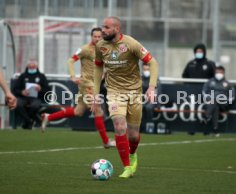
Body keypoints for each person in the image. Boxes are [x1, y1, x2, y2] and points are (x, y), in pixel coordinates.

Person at [91, 16, 159, 178]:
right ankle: (126, 167)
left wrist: (151, 87)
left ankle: (133, 154)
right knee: (119, 125)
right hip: (114, 92)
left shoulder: (130, 44)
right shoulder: (101, 46)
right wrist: (95, 94)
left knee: (134, 135)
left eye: (107, 28)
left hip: (134, 92)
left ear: (116, 29)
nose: (103, 31)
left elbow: (153, 62)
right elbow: (98, 69)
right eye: (102, 27)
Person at [41, 27, 115, 149]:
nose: (97, 38)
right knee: (98, 110)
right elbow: (70, 61)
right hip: (87, 84)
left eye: (99, 36)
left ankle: (48, 117)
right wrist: (73, 76)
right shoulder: (85, 49)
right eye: (95, 36)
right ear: (91, 37)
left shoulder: (104, 49)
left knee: (78, 112)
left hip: (95, 84)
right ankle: (106, 141)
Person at [13, 60, 50, 129]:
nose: (32, 68)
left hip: (36, 98)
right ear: (27, 67)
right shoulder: (22, 76)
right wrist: (22, 92)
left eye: (33, 67)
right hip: (23, 97)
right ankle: (29, 121)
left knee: (35, 106)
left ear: (36, 67)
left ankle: (27, 123)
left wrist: (40, 89)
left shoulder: (42, 76)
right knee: (17, 104)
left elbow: (48, 90)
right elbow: (15, 89)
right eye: (30, 67)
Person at [202, 66, 235, 136]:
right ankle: (215, 129)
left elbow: (232, 96)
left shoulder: (228, 83)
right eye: (217, 72)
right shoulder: (209, 82)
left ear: (223, 73)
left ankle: (206, 117)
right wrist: (208, 98)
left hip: (223, 104)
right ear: (215, 73)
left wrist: (227, 101)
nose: (219, 74)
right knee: (215, 107)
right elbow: (204, 92)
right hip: (211, 102)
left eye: (220, 72)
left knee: (214, 101)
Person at [141, 64, 161, 133]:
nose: (146, 68)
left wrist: (158, 105)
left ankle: (149, 126)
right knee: (139, 107)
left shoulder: (154, 78)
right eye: (145, 66)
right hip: (143, 99)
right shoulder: (140, 78)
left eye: (147, 66)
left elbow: (158, 92)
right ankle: (141, 127)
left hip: (152, 99)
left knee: (148, 108)